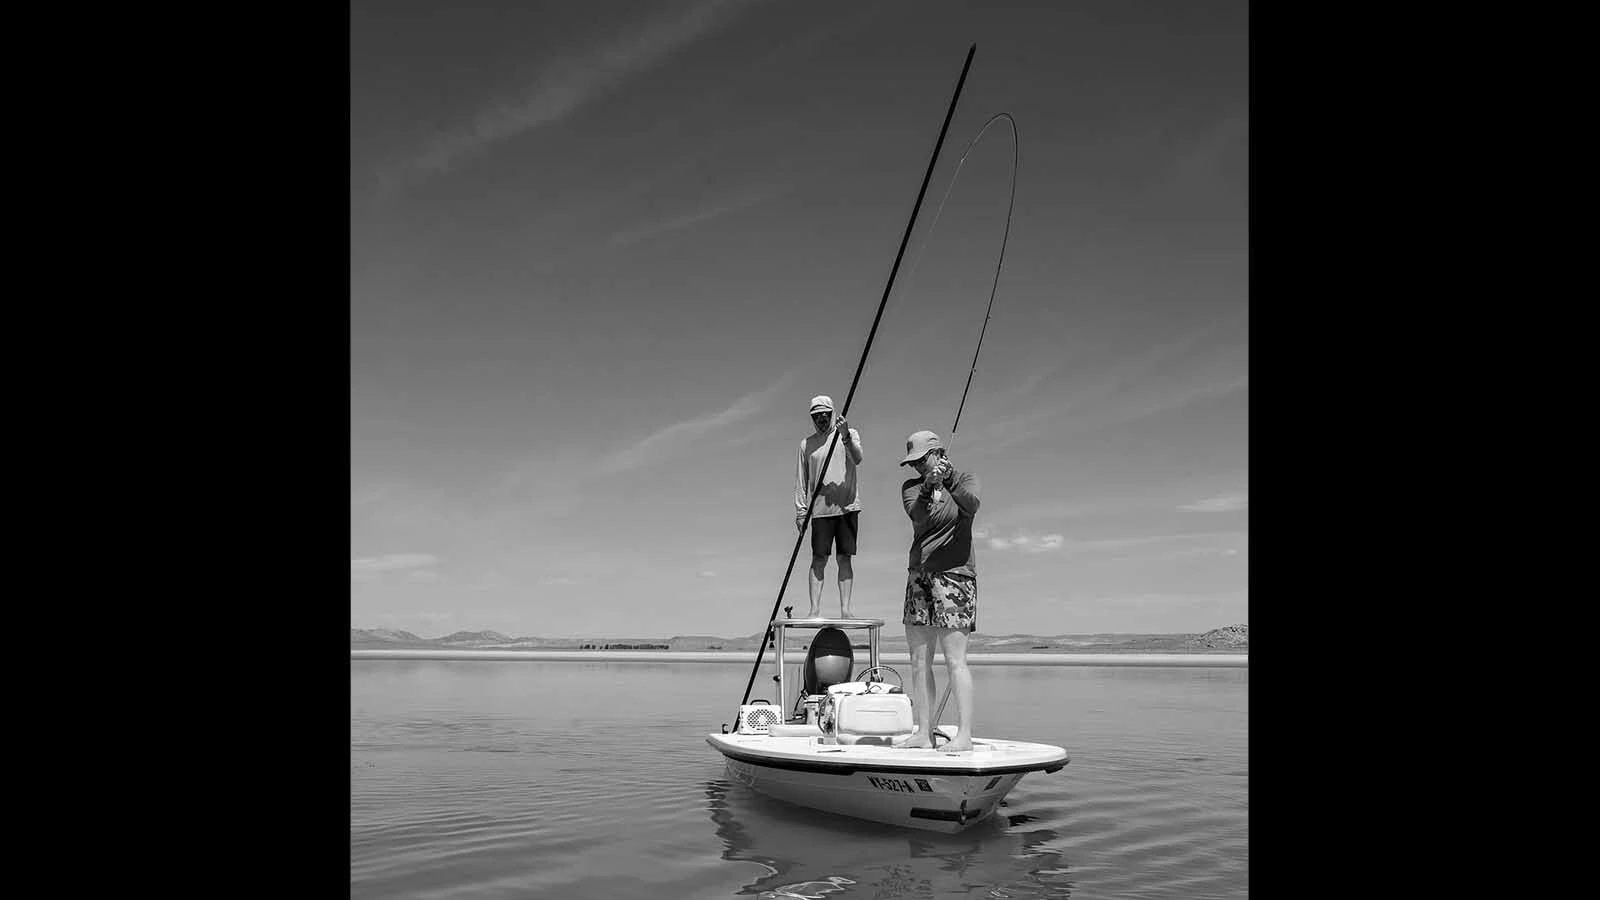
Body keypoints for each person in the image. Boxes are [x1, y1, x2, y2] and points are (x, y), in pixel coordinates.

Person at [892, 430, 980, 752]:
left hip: (955, 578)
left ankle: (964, 736)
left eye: (921, 460)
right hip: (919, 577)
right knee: (919, 660)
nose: (916, 467)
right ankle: (923, 732)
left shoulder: (965, 480)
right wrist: (929, 485)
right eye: (912, 463)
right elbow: (918, 515)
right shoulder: (912, 488)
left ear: (938, 453)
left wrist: (950, 480)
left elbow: (972, 505)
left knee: (955, 660)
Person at [794, 395, 863, 618]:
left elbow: (858, 458)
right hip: (820, 511)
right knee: (819, 558)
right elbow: (802, 480)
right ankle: (814, 610)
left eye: (825, 414)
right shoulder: (807, 444)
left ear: (832, 413)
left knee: (845, 557)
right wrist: (801, 512)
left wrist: (845, 436)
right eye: (817, 416)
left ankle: (846, 609)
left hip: (847, 507)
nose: (822, 419)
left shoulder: (848, 434)